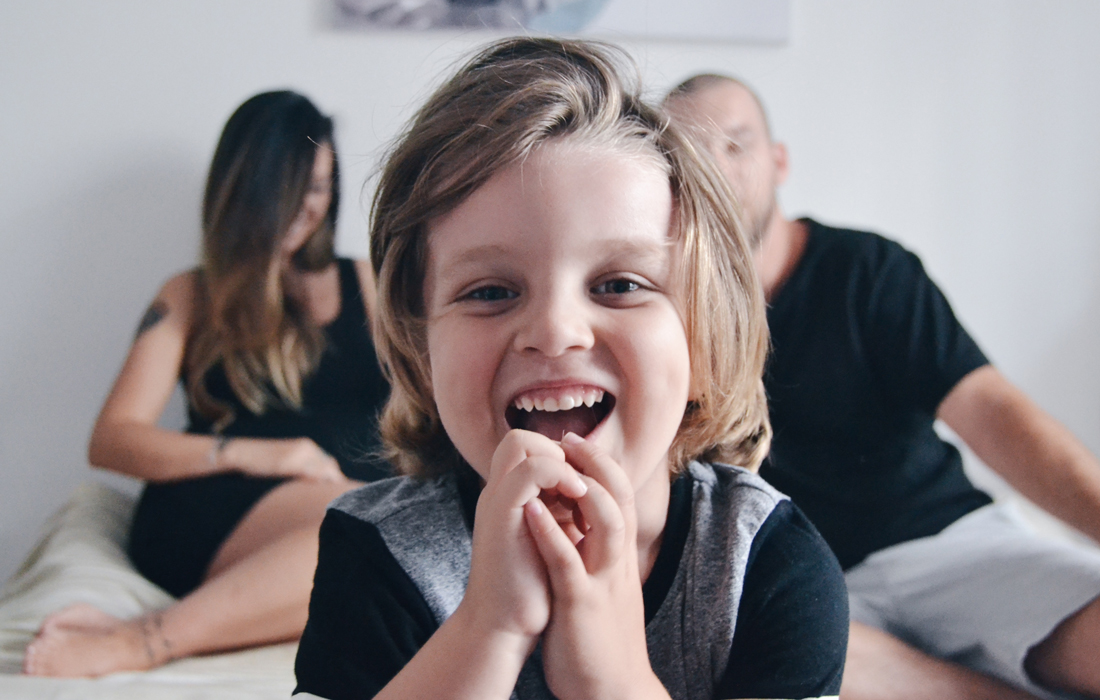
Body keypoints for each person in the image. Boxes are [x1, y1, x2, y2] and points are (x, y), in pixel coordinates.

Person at [292, 38, 849, 700]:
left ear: (703, 341)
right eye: (490, 291)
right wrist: (490, 630)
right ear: (420, 350)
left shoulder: (770, 567)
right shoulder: (381, 553)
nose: (555, 332)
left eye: (619, 284)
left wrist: (609, 679)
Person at [664, 74, 1100, 700]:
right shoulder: (661, 318)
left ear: (778, 160)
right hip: (814, 583)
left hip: (948, 545)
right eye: (692, 156)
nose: (717, 172)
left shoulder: (866, 270)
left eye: (736, 146)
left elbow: (993, 411)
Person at [23, 90, 391, 678]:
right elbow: (112, 439)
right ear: (247, 183)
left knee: (390, 541)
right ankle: (138, 643)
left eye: (320, 186)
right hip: (216, 507)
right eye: (290, 185)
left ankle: (143, 629)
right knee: (358, 527)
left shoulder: (368, 284)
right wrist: (264, 454)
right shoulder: (190, 295)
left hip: (342, 498)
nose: (306, 207)